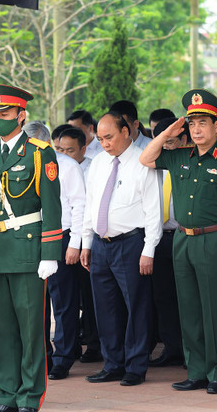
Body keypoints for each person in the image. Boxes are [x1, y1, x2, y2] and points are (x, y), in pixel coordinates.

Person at [140, 89, 217, 394]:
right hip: (182, 240)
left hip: (214, 238)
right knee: (188, 308)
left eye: (203, 123)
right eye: (192, 124)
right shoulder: (179, 156)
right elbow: (146, 158)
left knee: (214, 309)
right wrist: (168, 133)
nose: (197, 130)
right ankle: (196, 369)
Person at [0, 84, 62, 412]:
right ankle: (5, 396)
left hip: (28, 249)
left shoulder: (40, 152)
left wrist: (49, 252)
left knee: (30, 329)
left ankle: (29, 397)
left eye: (5, 114)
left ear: (21, 115)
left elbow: (51, 205)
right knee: (0, 329)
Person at [81, 112, 161, 386]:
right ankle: (112, 363)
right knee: (106, 307)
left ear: (126, 132)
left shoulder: (142, 161)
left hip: (131, 243)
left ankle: (136, 366)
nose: (104, 143)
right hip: (101, 244)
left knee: (136, 306)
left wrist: (149, 249)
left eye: (109, 137)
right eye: (100, 139)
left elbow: (153, 209)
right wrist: (86, 242)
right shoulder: (98, 163)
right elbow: (91, 204)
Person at [22, 121, 85, 381]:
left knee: (63, 303)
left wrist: (75, 243)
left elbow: (79, 205)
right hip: (30, 239)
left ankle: (63, 358)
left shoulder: (67, 166)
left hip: (60, 237)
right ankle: (42, 357)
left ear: (46, 143)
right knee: (35, 304)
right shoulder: (21, 165)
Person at [51, 125, 101, 363]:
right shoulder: (51, 166)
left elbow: (82, 206)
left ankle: (89, 344)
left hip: (80, 236)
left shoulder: (89, 167)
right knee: (64, 297)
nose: (64, 153)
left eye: (70, 150)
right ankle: (68, 347)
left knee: (85, 296)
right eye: (60, 149)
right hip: (57, 237)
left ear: (83, 148)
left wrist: (79, 242)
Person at [147, 117, 185, 368]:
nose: (166, 148)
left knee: (188, 297)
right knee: (163, 296)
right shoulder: (153, 164)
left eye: (171, 142)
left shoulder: (189, 161)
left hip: (184, 236)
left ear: (184, 139)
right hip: (159, 237)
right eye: (162, 143)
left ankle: (193, 350)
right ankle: (172, 349)